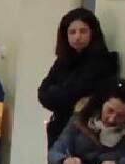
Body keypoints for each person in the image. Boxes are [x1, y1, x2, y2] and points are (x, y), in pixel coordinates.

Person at [38, 8, 120, 147]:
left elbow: (71, 95)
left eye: (83, 31)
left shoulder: (103, 62)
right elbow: (42, 93)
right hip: (58, 128)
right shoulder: (62, 61)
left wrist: (56, 92)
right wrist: (59, 94)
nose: (77, 37)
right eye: (72, 32)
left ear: (92, 33)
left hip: (84, 133)